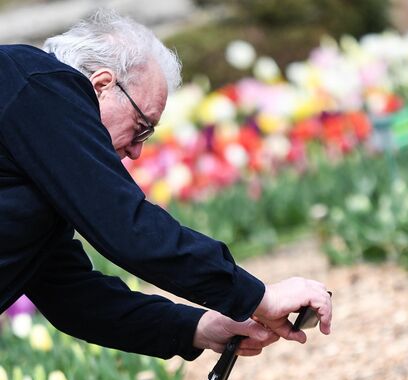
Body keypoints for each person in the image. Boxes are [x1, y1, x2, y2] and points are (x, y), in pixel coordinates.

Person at [0, 9, 333, 361]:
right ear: (101, 85)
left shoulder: (37, 138)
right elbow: (127, 226)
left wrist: (196, 328)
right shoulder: (39, 86)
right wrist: (259, 298)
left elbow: (72, 295)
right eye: (141, 126)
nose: (136, 151)